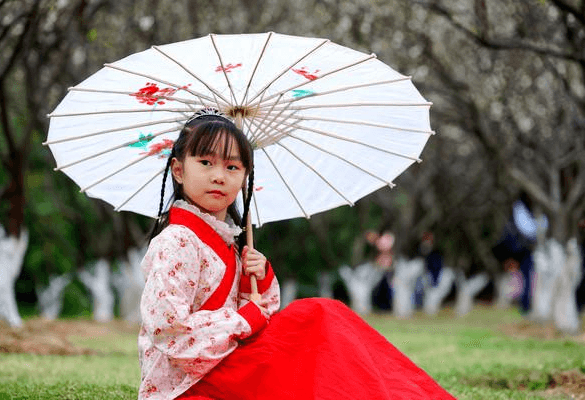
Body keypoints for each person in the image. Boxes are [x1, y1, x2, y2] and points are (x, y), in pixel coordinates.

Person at [138, 108, 455, 400]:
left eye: (232, 166)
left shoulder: (227, 242)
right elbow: (170, 334)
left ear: (245, 176)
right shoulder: (177, 241)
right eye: (206, 163)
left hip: (221, 367)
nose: (219, 176)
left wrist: (258, 280)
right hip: (187, 384)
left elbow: (257, 316)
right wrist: (246, 316)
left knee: (324, 317)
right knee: (317, 320)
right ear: (178, 170)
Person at [492, 191, 547, 314]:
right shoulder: (520, 209)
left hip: (522, 250)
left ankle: (528, 305)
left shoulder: (520, 209)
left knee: (526, 278)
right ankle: (526, 305)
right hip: (523, 250)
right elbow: (528, 229)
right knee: (526, 278)